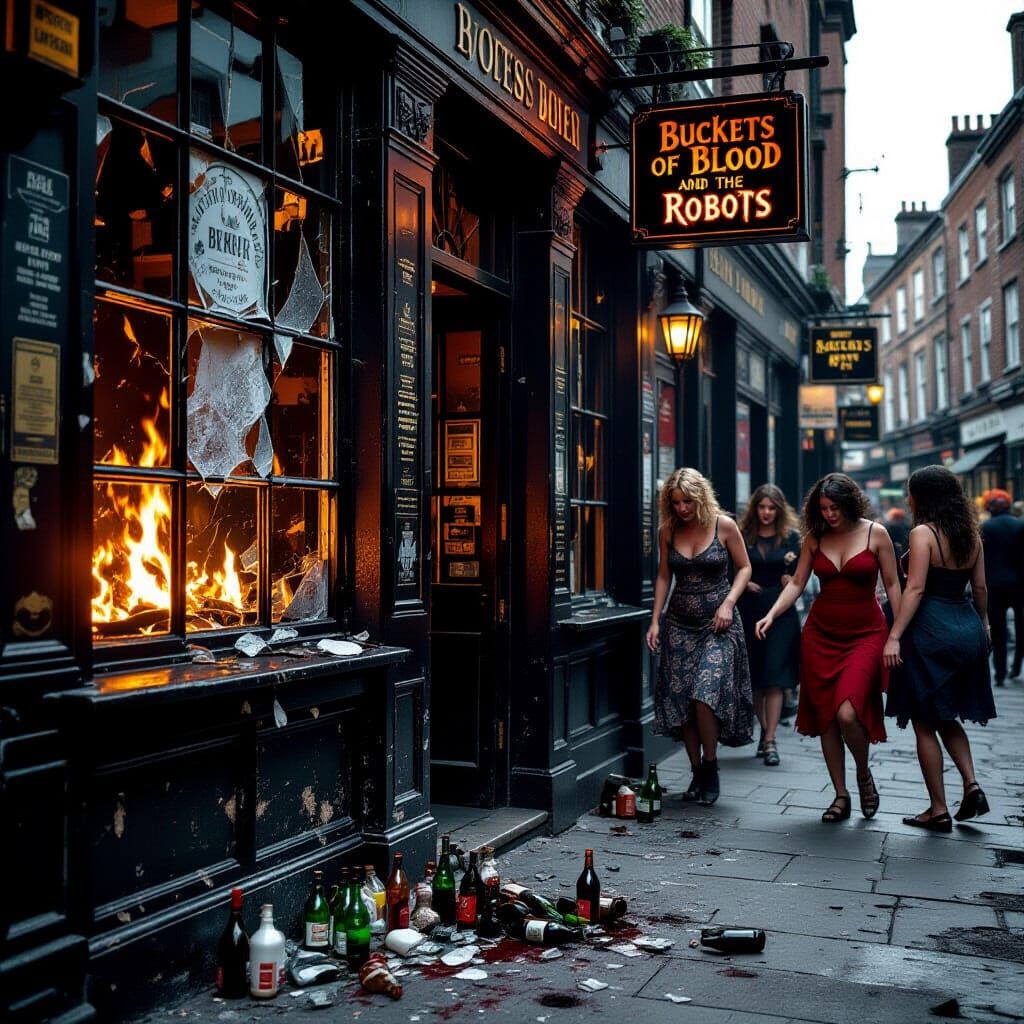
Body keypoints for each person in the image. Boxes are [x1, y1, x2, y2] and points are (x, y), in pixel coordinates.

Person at [755, 473, 902, 824]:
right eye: (823, 508)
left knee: (848, 713)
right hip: (820, 635)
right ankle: (840, 794)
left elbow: (895, 584)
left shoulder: (875, 533)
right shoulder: (815, 536)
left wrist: (896, 634)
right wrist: (772, 613)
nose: (830, 514)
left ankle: (863, 775)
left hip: (866, 633)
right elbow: (799, 583)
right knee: (826, 719)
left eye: (835, 507)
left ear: (850, 504)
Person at [883, 466, 995, 832]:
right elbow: (979, 589)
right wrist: (984, 625)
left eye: (910, 492)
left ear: (923, 497)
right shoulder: (971, 535)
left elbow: (914, 589)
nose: (908, 498)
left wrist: (895, 634)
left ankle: (937, 808)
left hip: (930, 630)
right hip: (966, 627)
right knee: (948, 716)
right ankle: (972, 784)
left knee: (924, 722)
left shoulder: (923, 534)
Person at [647, 468, 754, 806]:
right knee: (682, 703)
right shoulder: (668, 530)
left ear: (701, 497)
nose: (682, 508)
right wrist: (655, 621)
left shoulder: (724, 525)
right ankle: (697, 770)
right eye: (676, 502)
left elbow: (745, 568)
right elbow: (664, 576)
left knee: (703, 696)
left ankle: (710, 765)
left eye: (688, 501)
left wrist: (728, 603)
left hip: (718, 626)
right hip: (678, 624)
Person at [737, 484, 801, 767]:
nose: (766, 512)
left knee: (774, 676)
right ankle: (765, 729)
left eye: (771, 507)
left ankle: (771, 739)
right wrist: (739, 581)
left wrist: (791, 578)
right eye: (762, 507)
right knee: (754, 678)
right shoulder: (743, 535)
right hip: (749, 611)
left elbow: (800, 573)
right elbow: (730, 568)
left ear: (779, 509)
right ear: (755, 508)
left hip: (780, 615)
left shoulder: (791, 538)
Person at [980, 489, 1024, 685]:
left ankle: (999, 673)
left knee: (998, 631)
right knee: (1021, 627)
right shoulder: (1020, 525)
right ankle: (1016, 666)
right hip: (1020, 583)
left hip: (994, 584)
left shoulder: (986, 527)